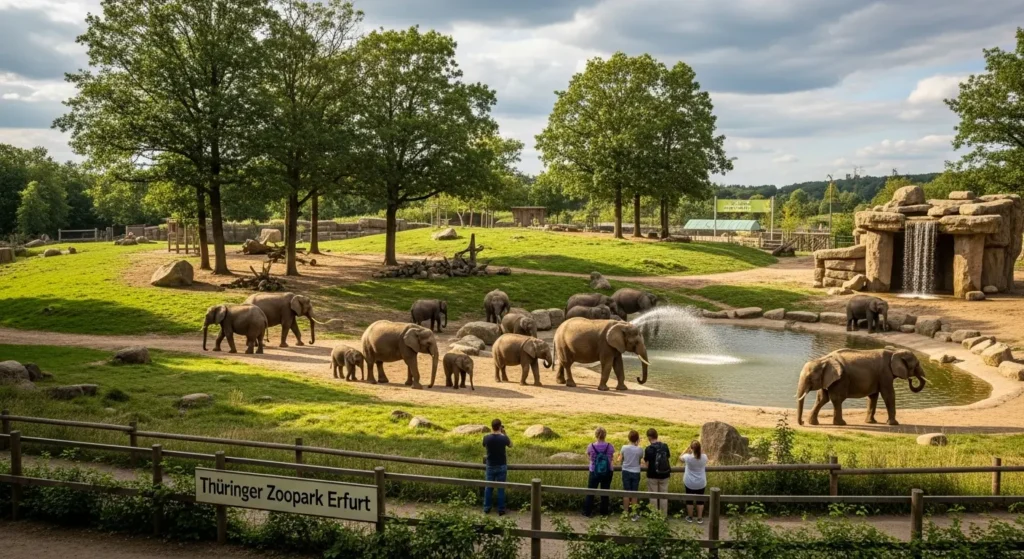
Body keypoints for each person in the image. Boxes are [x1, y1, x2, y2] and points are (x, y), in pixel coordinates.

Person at [583, 426, 615, 517]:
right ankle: (604, 512)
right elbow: (611, 457)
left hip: (594, 471)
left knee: (591, 491)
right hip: (607, 471)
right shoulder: (610, 446)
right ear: (605, 435)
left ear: (596, 435)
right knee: (605, 491)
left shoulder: (591, 446)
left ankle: (588, 511)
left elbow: (590, 458)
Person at [482, 418, 512, 515]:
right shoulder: (503, 438)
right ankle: (501, 510)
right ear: (500, 426)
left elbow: (484, 445)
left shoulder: (486, 437)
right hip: (501, 465)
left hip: (490, 465)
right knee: (501, 488)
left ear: (492, 427)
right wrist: (504, 434)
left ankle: (487, 508)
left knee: (488, 488)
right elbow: (511, 445)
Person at [642, 428, 672, 515]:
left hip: (652, 475)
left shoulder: (648, 449)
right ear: (657, 436)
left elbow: (647, 464)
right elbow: (667, 458)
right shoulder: (665, 446)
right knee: (664, 496)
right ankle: (663, 515)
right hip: (665, 474)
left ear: (649, 438)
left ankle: (654, 516)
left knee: (653, 496)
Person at [682, 440, 709, 523]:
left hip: (689, 482)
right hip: (701, 482)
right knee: (700, 500)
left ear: (691, 448)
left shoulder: (687, 457)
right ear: (700, 448)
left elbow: (680, 458)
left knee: (689, 499)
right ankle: (699, 518)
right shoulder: (704, 457)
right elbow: (703, 458)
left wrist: (686, 450)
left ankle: (690, 517)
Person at [619, 430, 644, 521]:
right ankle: (634, 514)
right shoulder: (640, 449)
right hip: (636, 472)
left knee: (626, 492)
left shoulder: (624, 447)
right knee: (634, 493)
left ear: (628, 438)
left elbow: (622, 458)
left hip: (625, 470)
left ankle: (625, 512)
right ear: (637, 439)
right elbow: (639, 459)